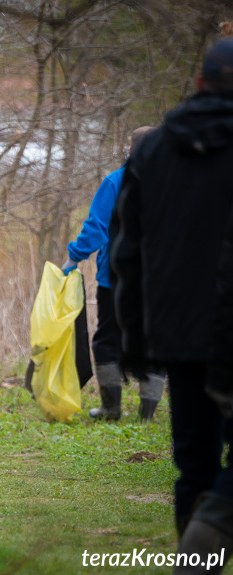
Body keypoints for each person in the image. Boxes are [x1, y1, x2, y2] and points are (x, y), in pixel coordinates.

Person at [111, 38, 233, 571]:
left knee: (193, 464)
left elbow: (127, 255)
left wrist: (134, 340)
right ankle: (216, 526)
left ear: (200, 83)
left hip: (178, 332)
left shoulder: (152, 151)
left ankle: (199, 557)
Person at [62, 126, 164, 423]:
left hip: (116, 279)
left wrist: (73, 258)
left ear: (130, 150)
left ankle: (111, 409)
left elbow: (95, 229)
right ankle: (147, 414)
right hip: (160, 280)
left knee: (108, 337)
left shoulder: (115, 181)